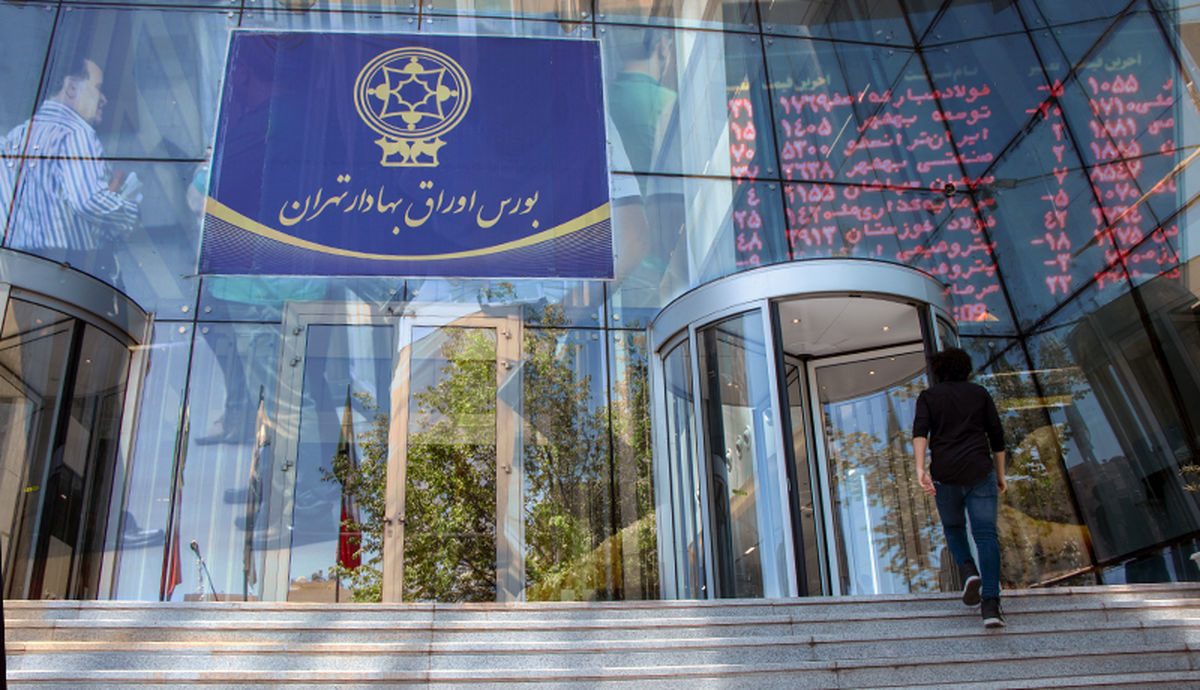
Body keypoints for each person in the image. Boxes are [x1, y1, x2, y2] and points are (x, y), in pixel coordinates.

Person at [0, 49, 139, 287]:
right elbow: (88, 200)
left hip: (21, 271)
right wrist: (129, 212)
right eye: (98, 88)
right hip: (72, 270)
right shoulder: (75, 132)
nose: (104, 99)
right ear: (72, 88)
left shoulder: (17, 135)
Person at [912, 347, 1008, 628]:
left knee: (954, 528)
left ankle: (968, 570)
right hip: (979, 470)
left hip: (945, 474)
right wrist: (1000, 474)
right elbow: (997, 436)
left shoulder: (929, 397)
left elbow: (920, 433)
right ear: (966, 369)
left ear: (938, 372)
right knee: (986, 535)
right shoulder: (979, 394)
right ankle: (990, 605)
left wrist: (920, 469)